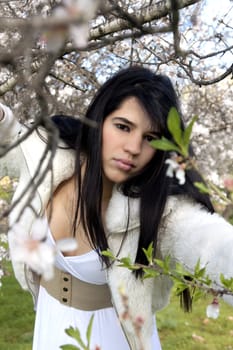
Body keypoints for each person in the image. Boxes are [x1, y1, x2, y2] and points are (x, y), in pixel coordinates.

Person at [0, 66, 233, 350]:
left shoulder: (159, 209)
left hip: (112, 338)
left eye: (150, 138)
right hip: (51, 325)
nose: (134, 147)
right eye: (123, 127)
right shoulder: (50, 156)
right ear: (99, 120)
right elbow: (10, 134)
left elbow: (209, 243)